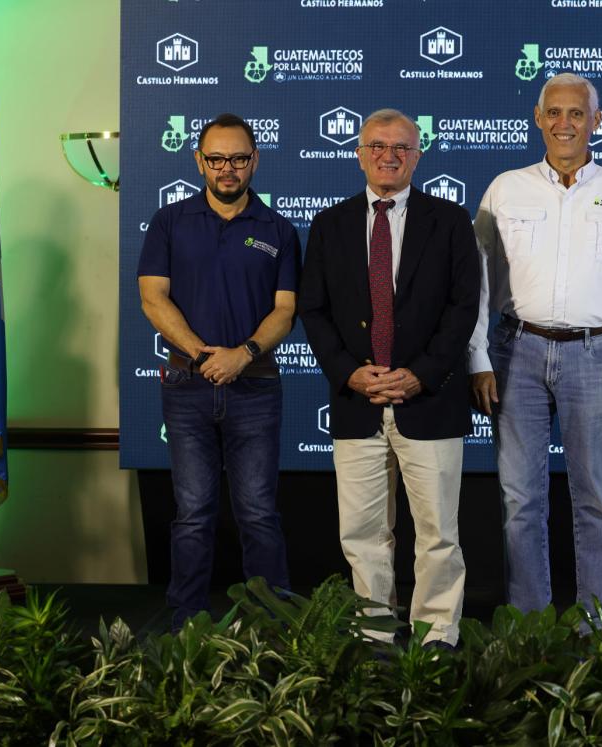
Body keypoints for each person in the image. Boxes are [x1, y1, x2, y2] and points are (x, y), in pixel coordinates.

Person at [469, 73, 602, 614]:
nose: (565, 123)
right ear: (537, 117)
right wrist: (477, 358)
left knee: (596, 498)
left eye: (577, 113)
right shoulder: (505, 189)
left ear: (597, 121)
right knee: (520, 500)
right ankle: (531, 624)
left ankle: (597, 626)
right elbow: (478, 283)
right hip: (515, 351)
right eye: (555, 112)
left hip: (598, 356)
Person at [298, 109, 480, 648]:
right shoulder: (330, 224)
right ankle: (376, 634)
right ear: (359, 153)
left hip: (430, 402)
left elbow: (463, 308)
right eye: (377, 145)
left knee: (438, 536)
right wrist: (350, 373)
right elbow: (313, 310)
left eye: (402, 147)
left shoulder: (450, 222)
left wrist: (419, 376)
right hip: (356, 403)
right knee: (362, 533)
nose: (389, 156)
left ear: (418, 155)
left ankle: (436, 635)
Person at [138, 113, 298, 629]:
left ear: (255, 160)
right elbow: (152, 297)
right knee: (192, 512)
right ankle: (186, 620)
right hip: (187, 386)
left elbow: (285, 309)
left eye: (237, 158)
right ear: (198, 162)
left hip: (256, 386)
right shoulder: (169, 222)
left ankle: (270, 621)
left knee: (257, 511)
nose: (227, 168)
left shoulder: (278, 230)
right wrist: (205, 355)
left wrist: (242, 354)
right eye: (216, 158)